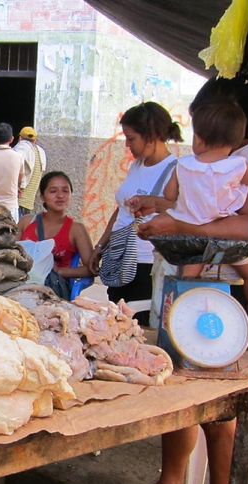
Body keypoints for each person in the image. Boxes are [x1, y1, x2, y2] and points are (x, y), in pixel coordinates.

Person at [116, 78, 248, 484]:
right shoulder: (210, 161)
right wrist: (162, 208)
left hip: (226, 295)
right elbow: (187, 207)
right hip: (190, 283)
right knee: (177, 381)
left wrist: (181, 227)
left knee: (216, 403)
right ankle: (172, 483)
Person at [133, 101, 248, 317]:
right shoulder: (240, 165)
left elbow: (170, 196)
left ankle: (177, 321)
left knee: (186, 282)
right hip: (228, 240)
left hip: (192, 240)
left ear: (198, 138)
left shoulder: (184, 165)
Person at [88, 102, 183, 326]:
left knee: (137, 327)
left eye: (131, 139)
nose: (128, 145)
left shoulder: (176, 169)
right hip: (119, 257)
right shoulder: (136, 166)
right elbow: (121, 210)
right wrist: (100, 247)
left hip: (145, 263)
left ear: (152, 135)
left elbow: (180, 213)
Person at [17, 171, 95, 281]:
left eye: (65, 191)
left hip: (52, 290)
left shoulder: (77, 230)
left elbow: (91, 269)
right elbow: (8, 251)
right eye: (53, 191)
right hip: (18, 284)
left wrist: (59, 270)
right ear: (42, 197)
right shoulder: (26, 222)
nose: (60, 195)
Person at [13, 126, 47, 217]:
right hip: (29, 202)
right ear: (35, 140)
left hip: (17, 201)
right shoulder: (41, 153)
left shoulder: (21, 149)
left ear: (20, 138)